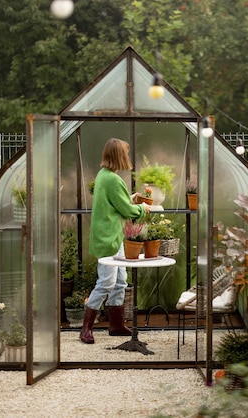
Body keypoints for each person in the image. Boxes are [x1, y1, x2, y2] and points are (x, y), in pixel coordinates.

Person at [80, 138, 151, 344]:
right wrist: (143, 209)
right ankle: (86, 329)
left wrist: (130, 197)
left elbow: (114, 202)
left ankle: (116, 325)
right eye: (126, 154)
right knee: (107, 282)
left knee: (120, 281)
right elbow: (126, 210)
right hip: (108, 239)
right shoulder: (112, 179)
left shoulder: (104, 176)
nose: (127, 157)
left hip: (112, 237)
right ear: (119, 156)